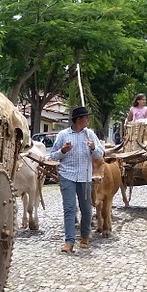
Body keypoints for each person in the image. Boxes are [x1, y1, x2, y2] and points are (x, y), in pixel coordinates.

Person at [49, 106, 106, 253]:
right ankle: (69, 241)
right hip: (67, 175)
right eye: (86, 117)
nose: (88, 120)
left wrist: (93, 148)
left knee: (86, 209)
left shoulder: (90, 134)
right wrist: (63, 151)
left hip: (85, 176)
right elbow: (53, 155)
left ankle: (85, 236)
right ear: (79, 119)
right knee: (69, 208)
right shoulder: (63, 135)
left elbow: (100, 154)